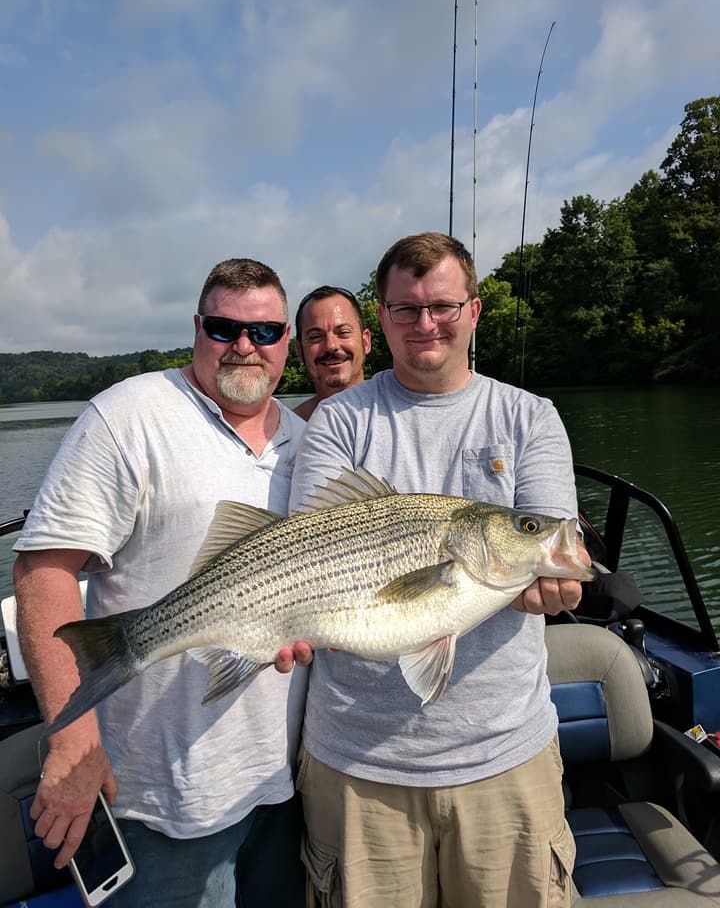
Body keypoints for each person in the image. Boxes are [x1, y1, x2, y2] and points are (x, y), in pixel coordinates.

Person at [287, 232, 589, 908]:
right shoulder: (337, 421)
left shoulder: (530, 417)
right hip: (357, 764)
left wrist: (552, 580)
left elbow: (548, 538)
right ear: (383, 319)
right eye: (407, 309)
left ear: (474, 311)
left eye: (443, 306)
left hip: (506, 757)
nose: (426, 323)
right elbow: (311, 548)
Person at [13, 258, 308, 908]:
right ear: (197, 328)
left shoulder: (307, 442)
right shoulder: (130, 415)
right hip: (159, 797)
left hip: (280, 785)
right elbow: (42, 570)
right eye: (225, 327)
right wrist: (74, 738)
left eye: (264, 331)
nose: (244, 345)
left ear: (286, 340)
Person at [292, 285, 371, 421]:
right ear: (299, 350)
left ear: (366, 342)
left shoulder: (399, 414)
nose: (331, 346)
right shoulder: (290, 428)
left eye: (343, 333)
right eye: (316, 337)